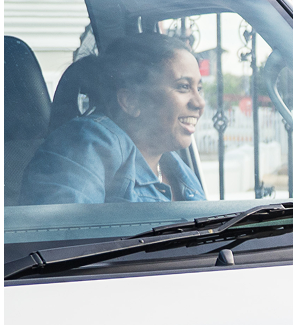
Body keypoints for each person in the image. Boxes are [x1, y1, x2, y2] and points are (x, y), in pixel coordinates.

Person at [22, 33, 207, 204]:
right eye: (183, 86)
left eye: (199, 88)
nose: (200, 103)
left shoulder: (180, 172)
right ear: (131, 101)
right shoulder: (87, 144)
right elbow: (66, 235)